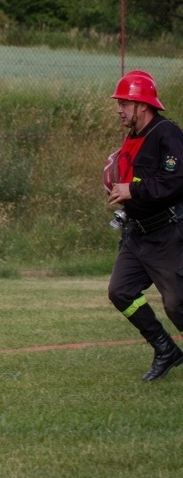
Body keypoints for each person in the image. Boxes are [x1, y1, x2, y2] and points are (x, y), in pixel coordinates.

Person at [106, 71, 183, 381]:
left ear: (142, 105)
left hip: (166, 234)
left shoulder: (167, 134)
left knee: (178, 305)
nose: (119, 109)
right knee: (120, 291)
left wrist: (132, 190)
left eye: (124, 103)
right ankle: (166, 349)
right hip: (137, 235)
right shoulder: (133, 136)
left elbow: (176, 181)